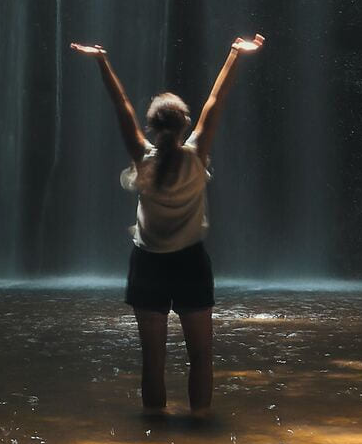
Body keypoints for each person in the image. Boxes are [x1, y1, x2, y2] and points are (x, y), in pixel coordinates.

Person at [70, 35, 265, 417]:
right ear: (185, 125)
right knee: (202, 358)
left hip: (148, 265)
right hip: (190, 263)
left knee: (152, 361)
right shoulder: (196, 156)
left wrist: (102, 62)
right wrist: (234, 55)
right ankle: (200, 427)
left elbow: (121, 107)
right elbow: (216, 102)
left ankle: (154, 438)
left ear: (151, 127)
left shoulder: (143, 160)